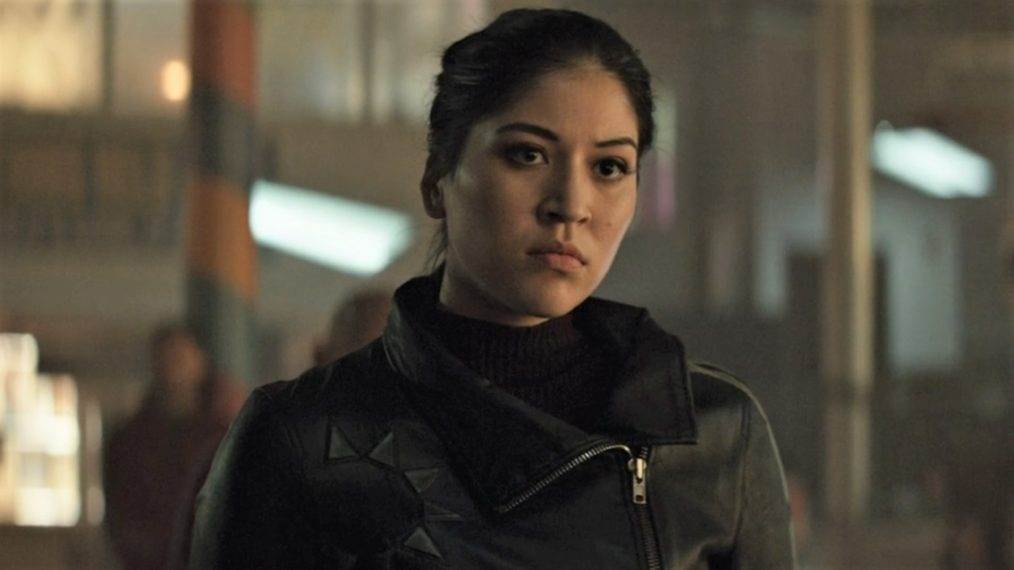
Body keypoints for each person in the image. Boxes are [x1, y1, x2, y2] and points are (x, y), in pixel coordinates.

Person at [189, 9, 795, 569]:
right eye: (527, 155)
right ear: (437, 179)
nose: (571, 205)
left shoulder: (715, 433)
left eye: (609, 167)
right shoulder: (302, 438)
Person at [104, 323, 244, 570]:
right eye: (165, 359)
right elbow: (121, 515)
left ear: (200, 362)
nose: (172, 369)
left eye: (179, 358)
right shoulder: (128, 441)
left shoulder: (222, 438)